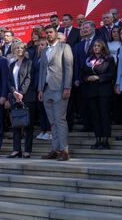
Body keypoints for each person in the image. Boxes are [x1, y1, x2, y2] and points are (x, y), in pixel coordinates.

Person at [38, 25, 73, 161]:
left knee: (60, 120)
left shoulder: (64, 47)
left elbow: (68, 68)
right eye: (46, 33)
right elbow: (42, 71)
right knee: (52, 121)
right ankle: (55, 150)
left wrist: (67, 87)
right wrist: (40, 89)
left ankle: (64, 150)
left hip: (59, 88)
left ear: (56, 33)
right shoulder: (44, 50)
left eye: (51, 32)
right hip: (46, 89)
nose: (48, 34)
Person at [80, 40, 117, 149]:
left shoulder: (108, 59)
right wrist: (87, 78)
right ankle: (98, 140)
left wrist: (99, 78)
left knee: (104, 115)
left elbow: (112, 74)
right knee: (95, 116)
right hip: (91, 91)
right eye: (94, 46)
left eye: (98, 46)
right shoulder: (88, 59)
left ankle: (105, 141)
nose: (96, 47)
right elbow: (83, 73)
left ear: (103, 47)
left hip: (104, 91)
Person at [7, 41, 37, 158]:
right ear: (13, 50)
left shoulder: (29, 63)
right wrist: (14, 92)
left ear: (25, 50)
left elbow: (29, 78)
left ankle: (27, 150)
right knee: (16, 124)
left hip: (27, 97)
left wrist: (21, 93)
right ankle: (16, 149)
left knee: (28, 125)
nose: (19, 49)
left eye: (21, 48)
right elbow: (9, 81)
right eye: (17, 48)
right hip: (15, 98)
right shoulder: (11, 65)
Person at [73, 21, 101, 132]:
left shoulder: (99, 41)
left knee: (96, 106)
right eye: (83, 28)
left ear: (93, 29)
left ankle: (97, 126)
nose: (84, 29)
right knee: (84, 105)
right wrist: (76, 78)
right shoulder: (78, 45)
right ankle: (87, 125)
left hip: (96, 79)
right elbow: (76, 63)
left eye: (86, 27)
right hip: (82, 80)